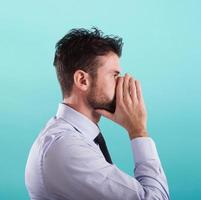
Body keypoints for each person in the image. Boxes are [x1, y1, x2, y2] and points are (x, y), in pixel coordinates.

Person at [25, 27, 169, 200]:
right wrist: (138, 130)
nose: (121, 83)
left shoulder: (73, 137)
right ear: (83, 80)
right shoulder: (66, 148)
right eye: (114, 75)